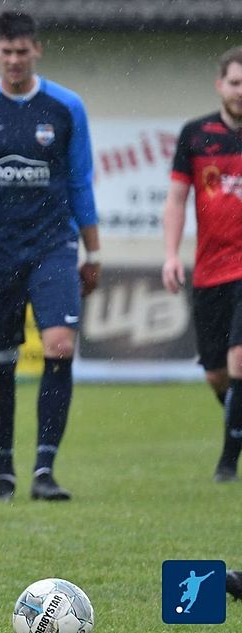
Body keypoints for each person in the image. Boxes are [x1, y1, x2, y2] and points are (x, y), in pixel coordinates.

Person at [0, 11, 101, 503]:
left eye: (22, 51)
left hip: (53, 246)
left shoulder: (65, 107)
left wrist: (93, 250)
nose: (14, 60)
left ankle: (45, 471)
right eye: (6, 52)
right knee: (0, 362)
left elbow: (80, 183)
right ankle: (3, 475)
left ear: (37, 50)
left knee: (59, 347)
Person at [162, 46, 242, 483]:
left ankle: (227, 464)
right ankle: (237, 424)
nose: (241, 91)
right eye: (235, 82)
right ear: (220, 85)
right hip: (210, 270)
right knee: (216, 374)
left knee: (239, 358)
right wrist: (172, 254)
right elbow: (176, 199)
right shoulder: (196, 135)